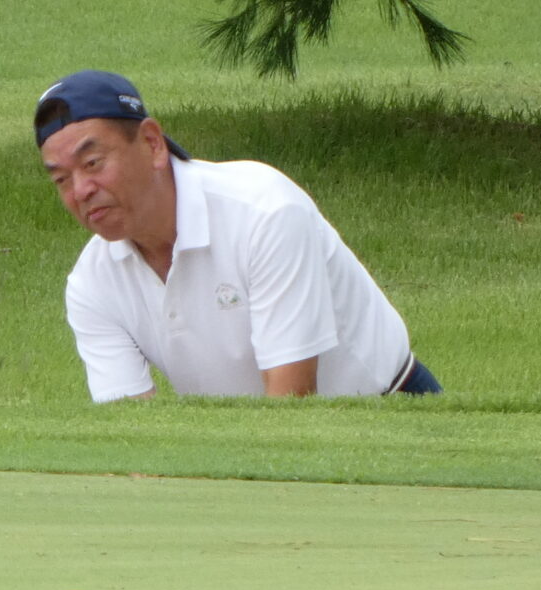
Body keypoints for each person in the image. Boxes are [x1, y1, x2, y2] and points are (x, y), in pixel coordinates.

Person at [34, 70, 440, 401]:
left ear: (153, 143)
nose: (80, 191)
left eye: (93, 162)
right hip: (245, 443)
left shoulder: (265, 211)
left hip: (389, 415)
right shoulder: (91, 281)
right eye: (61, 179)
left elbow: (292, 402)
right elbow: (131, 432)